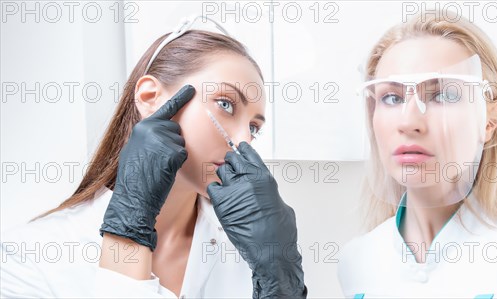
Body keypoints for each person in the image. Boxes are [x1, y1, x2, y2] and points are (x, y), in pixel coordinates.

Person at [1, 16, 306, 298]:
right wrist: (127, 232)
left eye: (254, 127)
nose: (243, 142)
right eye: (225, 104)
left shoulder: (249, 250)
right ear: (150, 98)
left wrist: (281, 280)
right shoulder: (32, 256)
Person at [338, 10, 497, 298]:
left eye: (444, 95)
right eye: (392, 97)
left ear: (490, 120)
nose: (409, 122)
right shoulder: (359, 262)